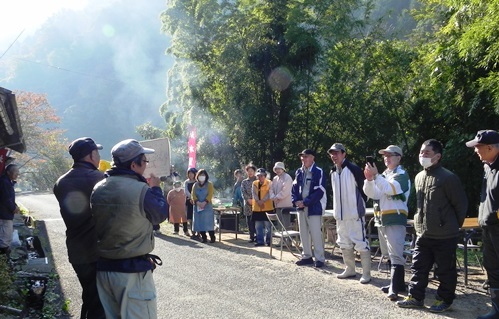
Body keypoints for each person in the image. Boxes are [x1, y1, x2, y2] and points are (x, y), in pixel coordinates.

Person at [90, 139, 168, 319]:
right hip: (131, 272)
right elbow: (160, 215)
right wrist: (156, 188)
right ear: (134, 164)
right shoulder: (142, 190)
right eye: (144, 161)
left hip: (104, 270)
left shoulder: (98, 188)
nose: (145, 165)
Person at [397, 139, 467, 313]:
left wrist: (451, 225)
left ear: (437, 156)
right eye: (421, 152)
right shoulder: (419, 176)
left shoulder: (448, 178)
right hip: (423, 233)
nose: (422, 155)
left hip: (445, 235)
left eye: (427, 153)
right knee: (418, 267)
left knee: (445, 271)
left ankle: (444, 300)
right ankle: (416, 297)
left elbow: (461, 205)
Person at [53, 137, 106, 319]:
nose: (99, 157)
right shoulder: (99, 179)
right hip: (96, 250)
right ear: (91, 155)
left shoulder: (61, 182)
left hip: (76, 250)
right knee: (99, 301)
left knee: (90, 296)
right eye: (97, 153)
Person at [363, 145, 410, 300]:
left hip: (395, 219)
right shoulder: (384, 175)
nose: (386, 158)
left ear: (399, 158)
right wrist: (369, 179)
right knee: (388, 254)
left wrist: (376, 177)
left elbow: (391, 189)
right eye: (384, 156)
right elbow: (373, 193)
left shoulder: (402, 175)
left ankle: (395, 287)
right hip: (382, 219)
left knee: (395, 254)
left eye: (390, 155)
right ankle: (398, 284)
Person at [466, 130, 499, 319]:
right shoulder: (488, 166)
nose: (475, 151)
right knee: (492, 267)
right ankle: (496, 310)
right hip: (488, 227)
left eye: (478, 147)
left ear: (490, 147)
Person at [328, 143, 371, 283]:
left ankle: (366, 273)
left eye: (337, 153)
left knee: (360, 242)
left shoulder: (353, 169)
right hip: (340, 216)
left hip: (354, 214)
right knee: (344, 242)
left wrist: (358, 207)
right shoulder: (332, 171)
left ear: (344, 154)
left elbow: (365, 191)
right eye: (332, 153)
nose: (334, 156)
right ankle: (350, 269)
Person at [291, 149, 327, 268]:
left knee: (316, 233)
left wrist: (305, 202)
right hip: (301, 208)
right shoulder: (299, 172)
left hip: (314, 207)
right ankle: (306, 256)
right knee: (303, 233)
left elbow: (320, 191)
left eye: (306, 156)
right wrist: (295, 201)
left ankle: (320, 258)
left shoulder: (318, 171)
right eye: (302, 157)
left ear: (312, 158)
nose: (303, 159)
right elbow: (294, 188)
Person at [0, 164, 21, 257]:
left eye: (18, 172)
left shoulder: (7, 181)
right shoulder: (4, 182)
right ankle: (4, 258)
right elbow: (6, 198)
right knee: (5, 237)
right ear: (8, 172)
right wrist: (13, 208)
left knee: (5, 236)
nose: (17, 174)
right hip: (4, 214)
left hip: (5, 213)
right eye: (15, 172)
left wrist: (15, 205)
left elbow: (9, 198)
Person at [191, 169, 216, 243]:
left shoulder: (209, 184)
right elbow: (193, 194)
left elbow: (210, 194)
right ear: (197, 176)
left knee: (208, 222)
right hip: (197, 206)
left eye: (203, 175)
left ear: (206, 176)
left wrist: (205, 202)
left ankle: (212, 237)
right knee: (199, 222)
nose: (202, 177)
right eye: (200, 175)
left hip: (207, 206)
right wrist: (197, 202)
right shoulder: (195, 185)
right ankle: (204, 237)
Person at [251, 168, 273, 246]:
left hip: (267, 207)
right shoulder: (254, 183)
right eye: (258, 176)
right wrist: (258, 201)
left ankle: (268, 241)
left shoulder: (269, 183)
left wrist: (262, 201)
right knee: (258, 225)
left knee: (268, 226)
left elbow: (269, 193)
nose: (260, 177)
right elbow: (254, 193)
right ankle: (260, 241)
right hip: (257, 207)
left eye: (262, 176)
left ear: (265, 176)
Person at [270, 162, 293, 229]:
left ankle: (287, 239)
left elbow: (286, 190)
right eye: (276, 169)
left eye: (279, 168)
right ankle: (282, 239)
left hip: (286, 205)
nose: (278, 170)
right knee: (279, 224)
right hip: (277, 205)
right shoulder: (275, 178)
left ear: (283, 169)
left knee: (286, 224)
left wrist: (277, 197)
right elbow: (271, 189)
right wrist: (273, 197)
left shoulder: (287, 177)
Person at [241, 163, 257, 243]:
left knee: (257, 220)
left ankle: (258, 236)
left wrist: (254, 200)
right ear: (246, 172)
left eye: (252, 171)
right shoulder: (244, 182)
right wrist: (248, 199)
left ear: (254, 171)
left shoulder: (258, 180)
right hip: (247, 204)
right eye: (249, 171)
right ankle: (251, 236)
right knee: (249, 221)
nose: (250, 172)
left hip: (257, 203)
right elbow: (243, 192)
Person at [185, 168, 198, 239]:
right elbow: (186, 191)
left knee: (197, 216)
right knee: (190, 217)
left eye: (191, 173)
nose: (190, 175)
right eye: (189, 174)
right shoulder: (186, 182)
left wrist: (195, 198)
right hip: (189, 201)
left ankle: (199, 232)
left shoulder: (197, 182)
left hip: (197, 201)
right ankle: (193, 232)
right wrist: (191, 197)